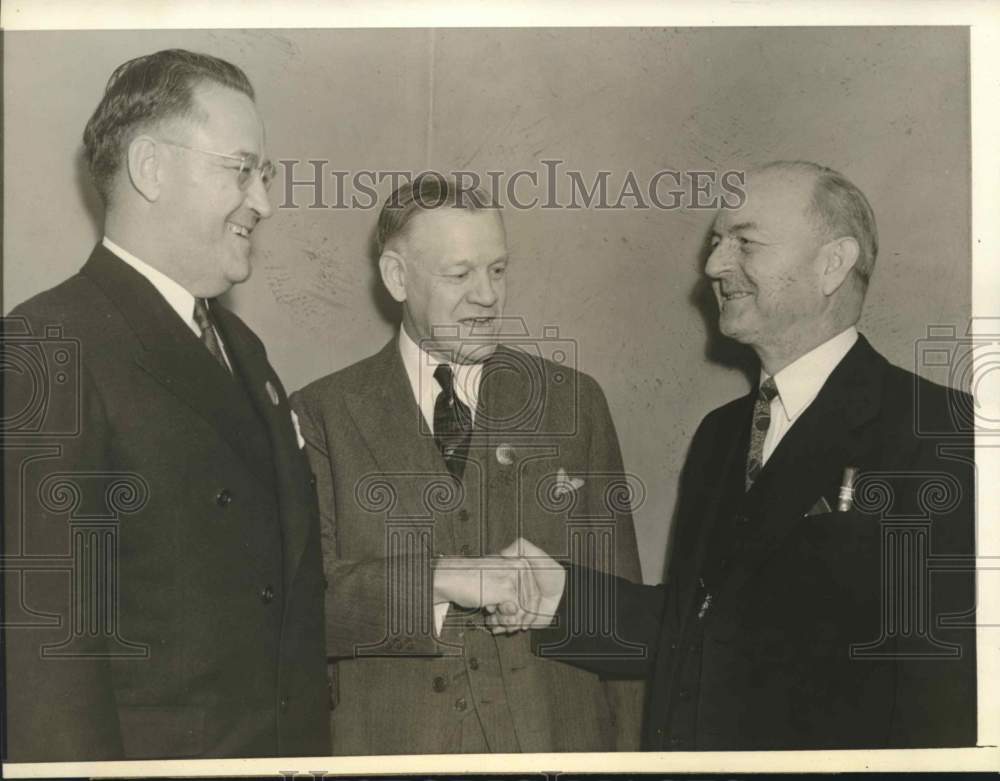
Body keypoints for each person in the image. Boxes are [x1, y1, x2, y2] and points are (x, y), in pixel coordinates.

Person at [506, 161, 977, 750]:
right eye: (715, 242)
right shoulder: (720, 436)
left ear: (833, 263)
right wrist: (546, 592)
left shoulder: (940, 431)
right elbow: (697, 630)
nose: (713, 266)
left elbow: (949, 697)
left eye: (745, 242)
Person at [2, 49, 329, 761]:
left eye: (263, 175)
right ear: (150, 168)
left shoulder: (243, 347)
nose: (264, 201)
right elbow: (47, 661)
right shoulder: (49, 344)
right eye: (241, 170)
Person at [290, 175, 645, 754]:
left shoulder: (573, 403)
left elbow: (621, 620)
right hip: (394, 752)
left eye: (498, 270)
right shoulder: (322, 413)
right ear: (396, 277)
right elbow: (309, 609)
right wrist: (440, 577)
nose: (487, 296)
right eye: (460, 274)